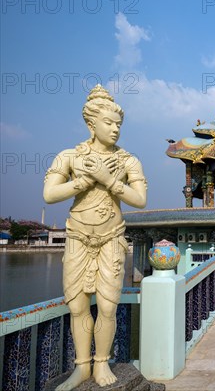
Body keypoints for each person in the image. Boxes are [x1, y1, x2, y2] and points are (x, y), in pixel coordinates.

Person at [43, 85, 147, 390]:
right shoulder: (70, 157)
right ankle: (82, 367)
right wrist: (85, 180)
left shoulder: (128, 161)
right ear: (92, 124)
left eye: (118, 124)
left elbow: (139, 200)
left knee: (106, 306)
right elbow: (49, 194)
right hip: (77, 236)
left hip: (111, 237)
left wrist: (108, 180)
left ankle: (101, 362)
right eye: (109, 123)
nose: (115, 129)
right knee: (77, 306)